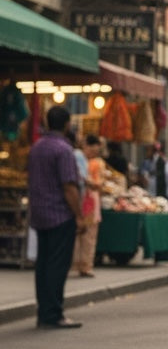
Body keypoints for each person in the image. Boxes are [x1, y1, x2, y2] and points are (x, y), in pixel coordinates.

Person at [27, 105, 87, 328]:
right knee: (57, 265)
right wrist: (79, 216)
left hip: (40, 213)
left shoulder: (37, 147)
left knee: (43, 264)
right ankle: (54, 313)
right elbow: (69, 187)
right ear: (67, 124)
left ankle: (44, 311)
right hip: (60, 215)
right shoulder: (63, 149)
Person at [73, 134, 104, 277]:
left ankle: (81, 265)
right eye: (93, 150)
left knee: (84, 235)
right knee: (87, 235)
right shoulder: (80, 158)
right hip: (86, 200)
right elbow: (89, 181)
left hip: (86, 199)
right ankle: (83, 265)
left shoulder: (87, 160)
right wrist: (93, 184)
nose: (93, 154)